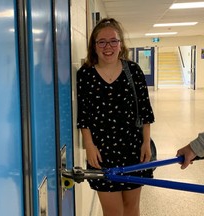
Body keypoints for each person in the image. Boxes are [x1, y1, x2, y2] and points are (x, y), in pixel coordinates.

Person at [76, 18, 155, 216]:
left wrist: (146, 143)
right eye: (101, 42)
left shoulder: (133, 71)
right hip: (102, 153)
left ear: (121, 44)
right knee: (112, 211)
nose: (108, 46)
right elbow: (83, 116)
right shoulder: (85, 75)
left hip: (133, 149)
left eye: (113, 41)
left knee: (131, 207)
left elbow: (145, 111)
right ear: (94, 46)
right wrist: (89, 146)